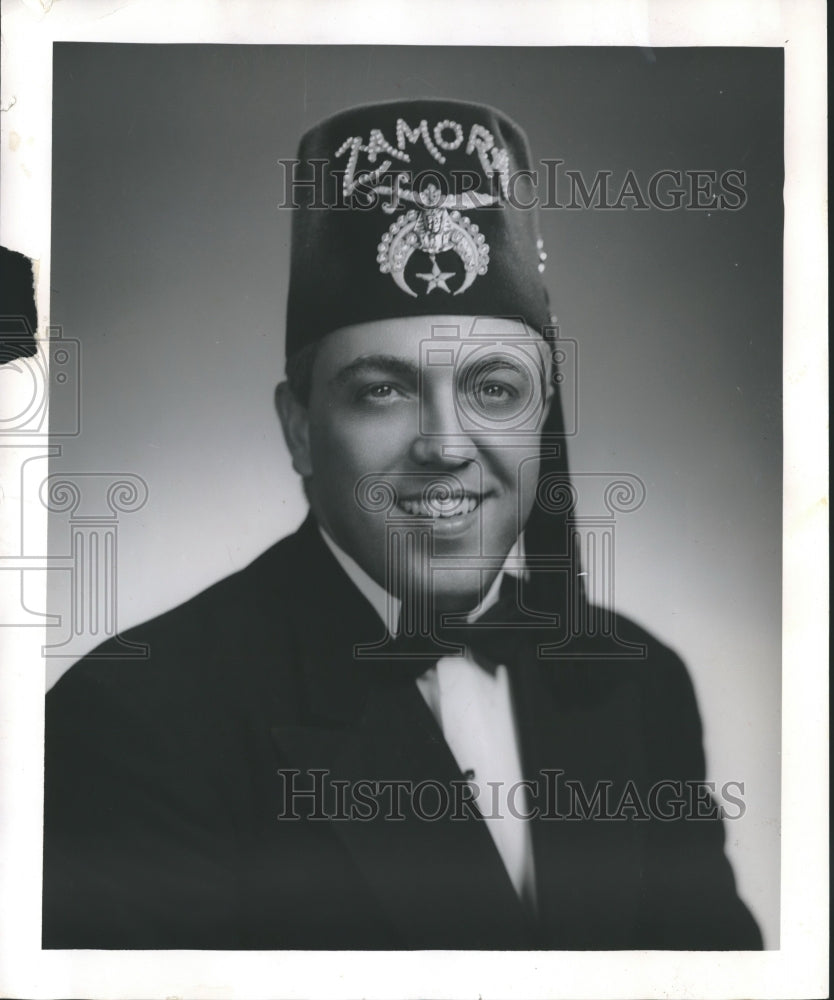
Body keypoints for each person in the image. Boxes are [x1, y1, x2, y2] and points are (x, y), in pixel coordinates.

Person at [42, 99, 762, 950]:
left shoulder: (640, 684)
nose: (446, 447)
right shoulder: (133, 723)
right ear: (300, 429)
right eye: (382, 390)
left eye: (494, 389)